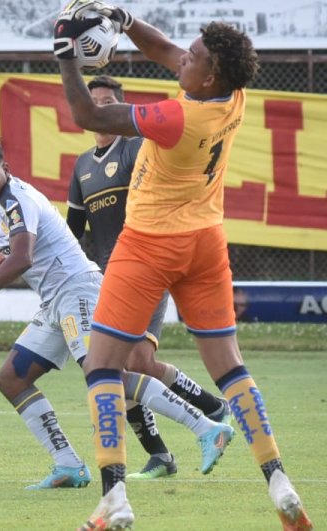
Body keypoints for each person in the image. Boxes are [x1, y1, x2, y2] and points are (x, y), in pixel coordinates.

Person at [53, 0, 313, 531]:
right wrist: (126, 22)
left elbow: (88, 117)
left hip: (150, 244)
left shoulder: (177, 118)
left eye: (193, 56)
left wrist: (65, 55)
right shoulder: (232, 95)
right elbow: (166, 51)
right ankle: (278, 480)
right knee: (231, 367)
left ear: (209, 73)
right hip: (206, 242)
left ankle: (114, 497)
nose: (182, 57)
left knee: (102, 366)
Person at [0, 137, 232, 491]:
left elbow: (22, 258)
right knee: (11, 379)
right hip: (56, 302)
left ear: (6, 170)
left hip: (78, 290)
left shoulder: (17, 199)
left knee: (104, 374)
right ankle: (68, 464)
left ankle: (207, 428)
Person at [66, 75, 230, 481]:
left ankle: (201, 419)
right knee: (126, 366)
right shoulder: (82, 165)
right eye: (93, 101)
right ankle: (188, 430)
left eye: (107, 102)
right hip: (108, 279)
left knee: (132, 362)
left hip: (147, 267)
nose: (99, 108)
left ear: (119, 107)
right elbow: (73, 230)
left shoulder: (136, 148)